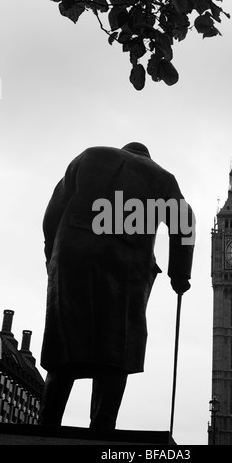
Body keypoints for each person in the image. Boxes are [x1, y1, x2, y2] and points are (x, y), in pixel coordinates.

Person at [39, 142, 195, 430]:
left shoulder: (90, 155)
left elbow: (54, 209)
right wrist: (179, 274)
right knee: (117, 346)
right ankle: (102, 427)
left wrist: (53, 254)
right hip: (126, 263)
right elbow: (184, 220)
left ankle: (47, 425)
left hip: (74, 254)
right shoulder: (162, 177)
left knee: (66, 340)